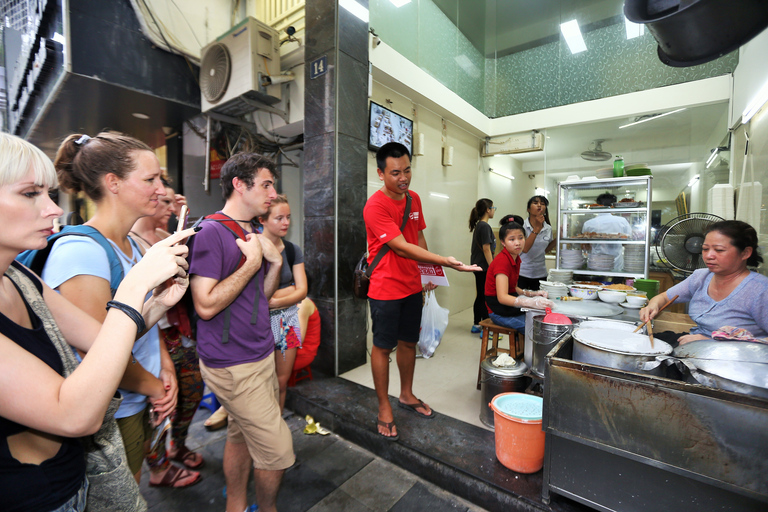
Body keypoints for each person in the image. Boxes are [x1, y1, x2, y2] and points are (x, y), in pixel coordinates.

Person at [0, 132, 193, 511]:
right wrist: (135, 286)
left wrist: (154, 306)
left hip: (71, 482)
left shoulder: (20, 278)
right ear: (113, 183)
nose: (54, 210)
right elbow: (75, 416)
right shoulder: (78, 248)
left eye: (49, 195)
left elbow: (103, 339)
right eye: (30, 194)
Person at [189, 152, 294, 512]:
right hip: (233, 363)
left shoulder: (248, 230)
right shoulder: (211, 232)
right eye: (266, 184)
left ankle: (235, 504)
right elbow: (204, 304)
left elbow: (258, 301)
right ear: (239, 184)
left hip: (258, 353)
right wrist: (252, 262)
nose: (272, 192)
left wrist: (274, 263)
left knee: (240, 434)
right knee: (278, 452)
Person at [364, 142, 481, 441]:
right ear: (380, 173)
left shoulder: (413, 198)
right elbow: (401, 247)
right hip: (385, 288)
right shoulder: (375, 206)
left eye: (407, 170)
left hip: (411, 286)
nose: (403, 178)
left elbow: (418, 236)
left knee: (408, 343)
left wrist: (429, 272)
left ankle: (406, 394)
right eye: (395, 173)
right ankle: (382, 407)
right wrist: (446, 262)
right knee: (383, 346)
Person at [130, 183, 205, 471]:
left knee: (192, 390)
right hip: (150, 334)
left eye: (174, 202)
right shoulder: (131, 242)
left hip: (179, 328)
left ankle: (178, 443)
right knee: (159, 402)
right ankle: (159, 464)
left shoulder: (166, 237)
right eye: (166, 202)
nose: (171, 208)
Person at [640, 220, 768, 345]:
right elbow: (663, 297)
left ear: (745, 253)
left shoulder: (760, 290)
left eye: (719, 250)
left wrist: (711, 342)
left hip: (735, 360)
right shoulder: (701, 276)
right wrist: (652, 306)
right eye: (705, 249)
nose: (708, 256)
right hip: (692, 344)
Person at [258, 194, 308, 411]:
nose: (286, 222)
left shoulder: (292, 249)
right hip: (258, 323)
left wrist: (275, 300)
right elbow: (254, 295)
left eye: (288, 217)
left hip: (287, 321)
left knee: (281, 381)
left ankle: (276, 426)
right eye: (279, 218)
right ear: (263, 219)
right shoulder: (253, 249)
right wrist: (289, 291)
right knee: (259, 383)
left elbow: (303, 290)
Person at [485, 221, 553, 331]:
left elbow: (514, 287)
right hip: (498, 312)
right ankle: (523, 348)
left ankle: (522, 348)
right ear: (503, 242)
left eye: (521, 238)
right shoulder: (502, 261)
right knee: (536, 329)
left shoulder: (515, 258)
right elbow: (502, 297)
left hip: (508, 308)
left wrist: (532, 294)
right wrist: (530, 302)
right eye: (512, 239)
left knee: (541, 320)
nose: (517, 243)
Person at [581, 192, 631, 272]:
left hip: (596, 264)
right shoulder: (622, 221)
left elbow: (585, 245)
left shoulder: (588, 223)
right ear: (613, 205)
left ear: (598, 205)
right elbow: (627, 242)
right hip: (617, 265)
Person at [468, 198, 496, 333]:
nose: (494, 210)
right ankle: (486, 327)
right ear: (487, 210)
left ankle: (477, 324)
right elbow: (486, 248)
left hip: (478, 265)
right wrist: (492, 268)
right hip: (483, 267)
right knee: (485, 296)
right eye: (493, 208)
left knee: (480, 295)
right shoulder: (484, 226)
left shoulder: (480, 225)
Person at [519, 195, 556, 291]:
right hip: (522, 272)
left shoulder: (548, 228)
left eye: (542, 204)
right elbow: (525, 249)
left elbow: (545, 250)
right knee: (521, 302)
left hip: (540, 273)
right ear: (528, 209)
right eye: (535, 203)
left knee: (539, 302)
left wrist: (559, 237)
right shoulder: (521, 226)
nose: (539, 206)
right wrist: (536, 229)